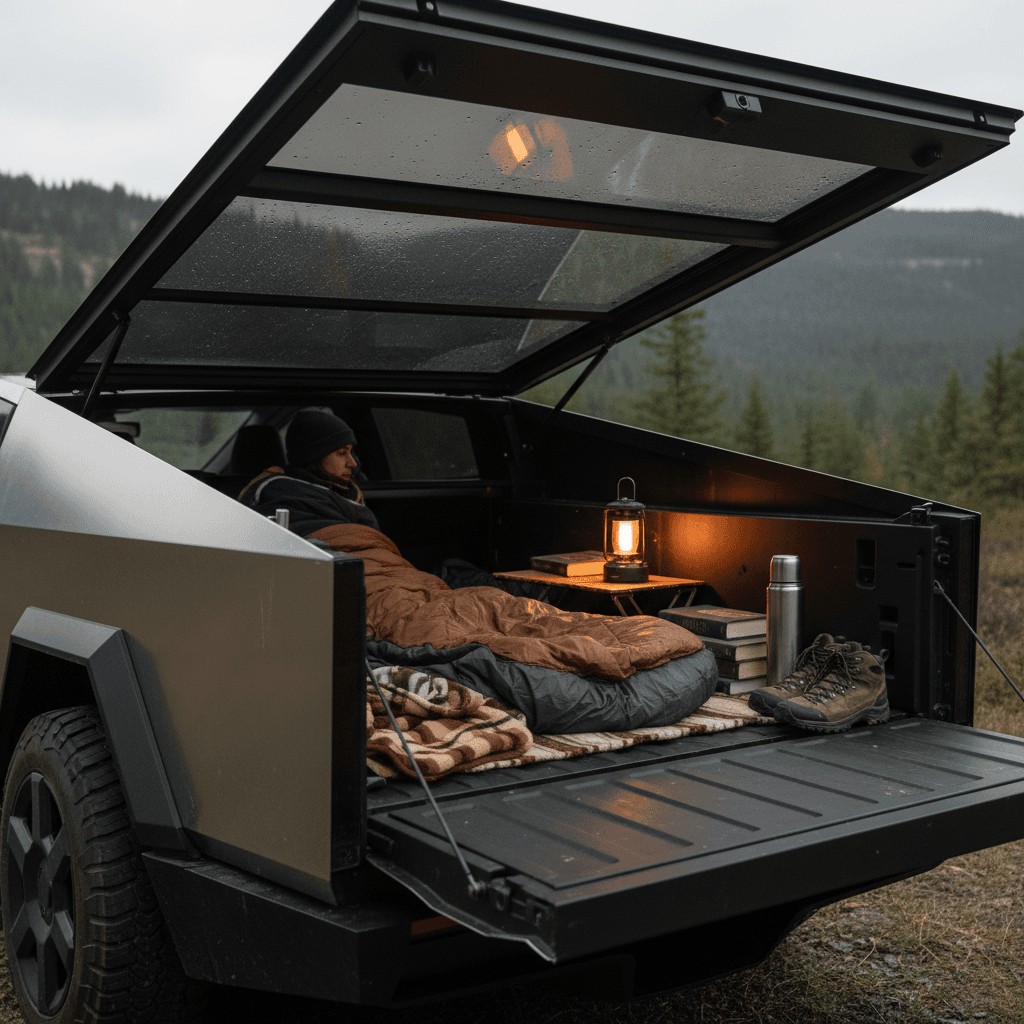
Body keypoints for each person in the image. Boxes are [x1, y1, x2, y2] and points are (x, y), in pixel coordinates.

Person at [238, 409, 379, 533]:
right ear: (314, 456)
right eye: (342, 453)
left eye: (351, 452)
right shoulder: (282, 496)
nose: (353, 463)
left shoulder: (341, 493)